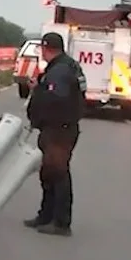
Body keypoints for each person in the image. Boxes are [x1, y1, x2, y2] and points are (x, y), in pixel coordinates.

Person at [23, 32, 87, 236]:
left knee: (58, 173)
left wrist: (39, 99)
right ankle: (46, 215)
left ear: (46, 47)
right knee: (48, 173)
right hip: (59, 128)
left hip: (59, 129)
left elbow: (55, 98)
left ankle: (61, 222)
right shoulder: (66, 66)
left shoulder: (60, 71)